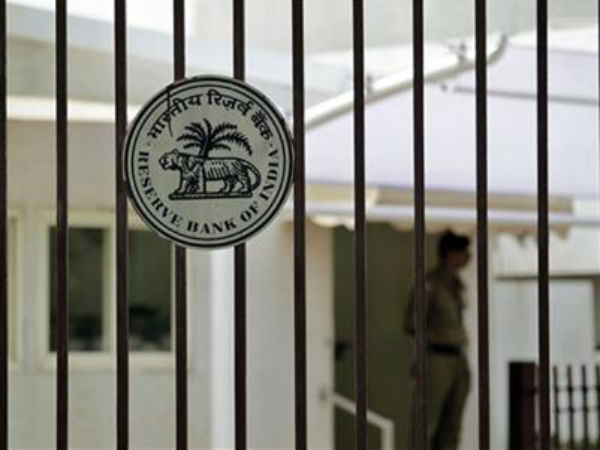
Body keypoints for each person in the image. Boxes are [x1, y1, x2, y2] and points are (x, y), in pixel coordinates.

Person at [405, 230, 472, 450]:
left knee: (452, 427)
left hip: (457, 358)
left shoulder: (457, 284)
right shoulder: (430, 283)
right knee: (426, 425)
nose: (468, 257)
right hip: (436, 357)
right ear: (449, 254)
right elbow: (412, 322)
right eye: (462, 251)